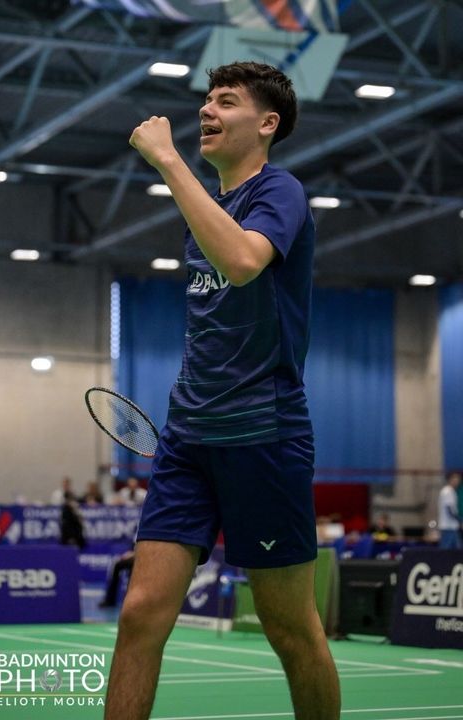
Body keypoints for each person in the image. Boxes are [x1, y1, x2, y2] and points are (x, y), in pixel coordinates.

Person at [104, 62, 340, 720]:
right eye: (206, 99)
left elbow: (241, 265)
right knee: (141, 614)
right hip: (188, 441)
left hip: (262, 436)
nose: (207, 109)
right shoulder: (202, 211)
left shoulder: (281, 192)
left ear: (266, 124)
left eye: (226, 101)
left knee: (289, 630)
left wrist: (168, 162)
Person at [438, 472, 462, 549]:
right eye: (454, 479)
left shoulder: (452, 492)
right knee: (445, 551)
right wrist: (460, 521)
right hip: (448, 527)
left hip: (452, 527)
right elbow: (450, 511)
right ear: (449, 480)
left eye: (458, 479)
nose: (456, 481)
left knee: (457, 551)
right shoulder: (447, 492)